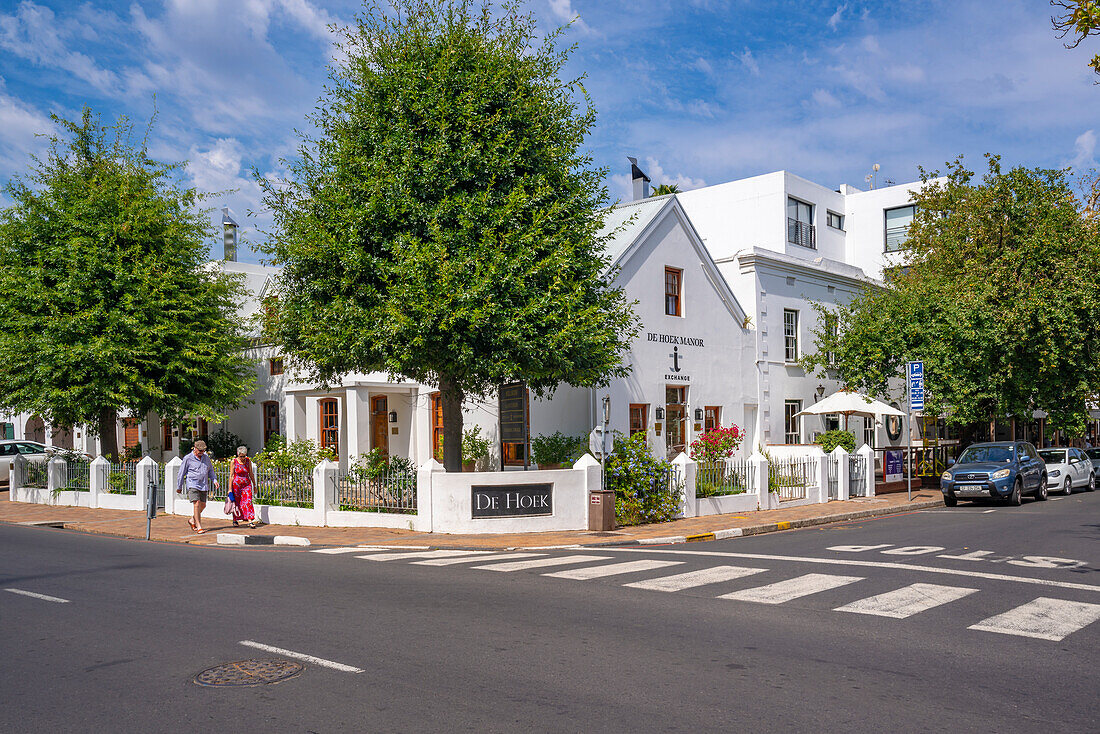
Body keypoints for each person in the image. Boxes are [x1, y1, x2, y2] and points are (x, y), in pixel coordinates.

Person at [177, 439, 218, 534]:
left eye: (203, 451)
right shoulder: (188, 458)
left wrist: (214, 480)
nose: (201, 453)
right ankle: (199, 526)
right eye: (200, 451)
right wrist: (179, 487)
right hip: (192, 483)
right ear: (194, 448)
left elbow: (210, 470)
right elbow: (181, 473)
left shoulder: (206, 458)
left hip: (203, 484)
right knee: (197, 503)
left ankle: (192, 519)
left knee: (203, 505)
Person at [230, 445, 259, 529]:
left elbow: (251, 473)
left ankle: (250, 520)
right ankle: (235, 519)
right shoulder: (234, 461)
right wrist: (229, 489)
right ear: (237, 454)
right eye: (241, 456)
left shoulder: (248, 461)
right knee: (237, 502)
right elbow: (231, 475)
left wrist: (254, 485)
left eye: (244, 456)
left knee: (248, 501)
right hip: (236, 485)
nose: (242, 458)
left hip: (246, 484)